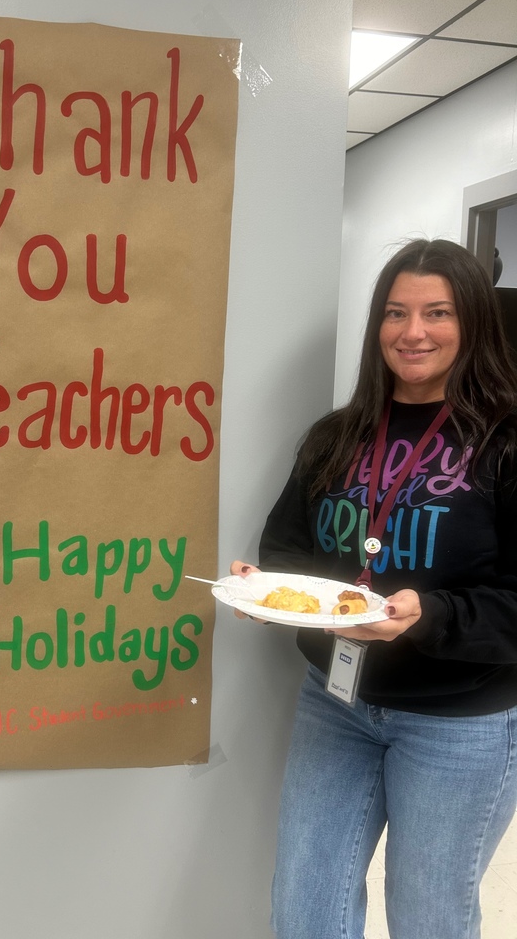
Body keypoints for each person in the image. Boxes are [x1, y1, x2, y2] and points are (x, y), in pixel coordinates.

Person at [231, 238, 517, 939]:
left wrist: (432, 616)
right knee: (304, 913)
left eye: (437, 313)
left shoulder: (506, 442)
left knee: (429, 921)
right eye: (395, 312)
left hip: (459, 720)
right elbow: (287, 545)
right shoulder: (338, 434)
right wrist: (277, 592)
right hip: (338, 704)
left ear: (472, 322)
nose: (412, 332)